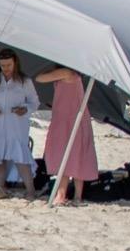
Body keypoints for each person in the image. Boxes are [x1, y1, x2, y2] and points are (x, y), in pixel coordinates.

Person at [0, 49, 39, 197]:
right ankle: (0, 189)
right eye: (3, 65)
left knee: (20, 156)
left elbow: (34, 102)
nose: (6, 68)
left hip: (16, 125)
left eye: (9, 65)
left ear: (15, 63)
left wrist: (25, 109)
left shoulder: (25, 82)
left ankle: (31, 190)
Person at [35, 65, 100, 205]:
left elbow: (40, 78)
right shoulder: (74, 74)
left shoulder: (66, 73)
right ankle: (77, 196)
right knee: (77, 155)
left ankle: (61, 194)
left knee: (65, 155)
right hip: (73, 119)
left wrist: (47, 68)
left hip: (68, 120)